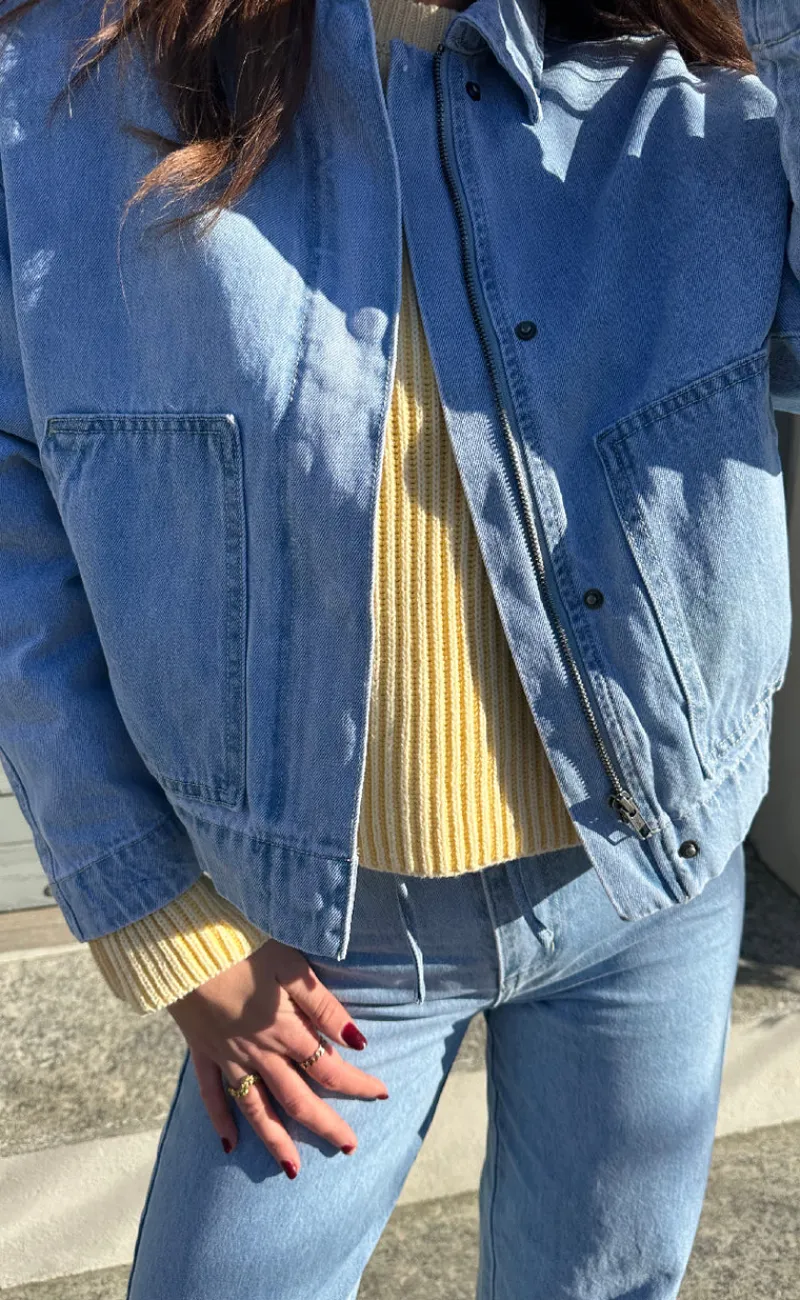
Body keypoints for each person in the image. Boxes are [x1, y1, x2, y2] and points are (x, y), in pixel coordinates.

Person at [0, 0, 794, 1293]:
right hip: (321, 932)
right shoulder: (70, 66)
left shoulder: (684, 43)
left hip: (657, 872)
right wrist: (153, 909)